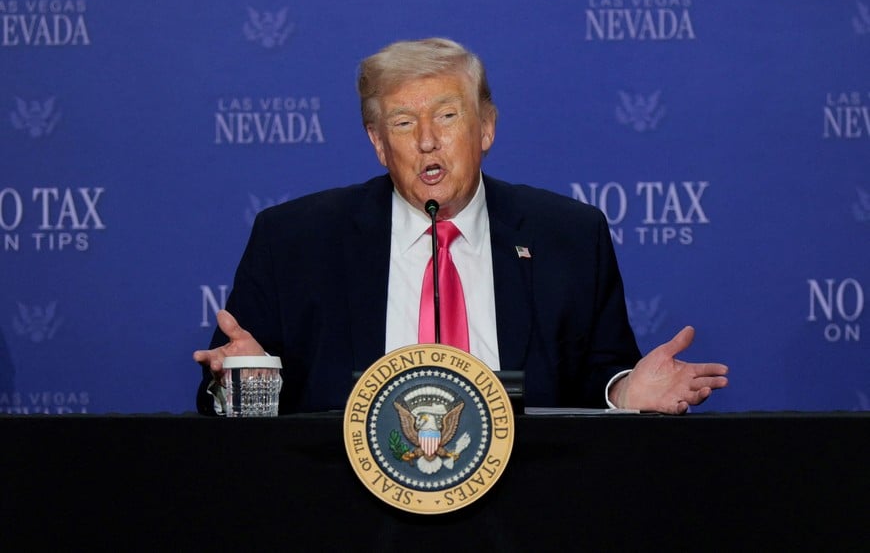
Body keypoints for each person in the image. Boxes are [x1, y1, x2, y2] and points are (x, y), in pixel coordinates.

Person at [194, 37, 728, 415]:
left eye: (447, 116)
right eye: (403, 123)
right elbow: (226, 395)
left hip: (528, 504)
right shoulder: (293, 241)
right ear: (379, 144)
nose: (427, 140)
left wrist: (624, 393)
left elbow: (601, 375)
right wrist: (243, 384)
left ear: (486, 128)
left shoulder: (568, 235)